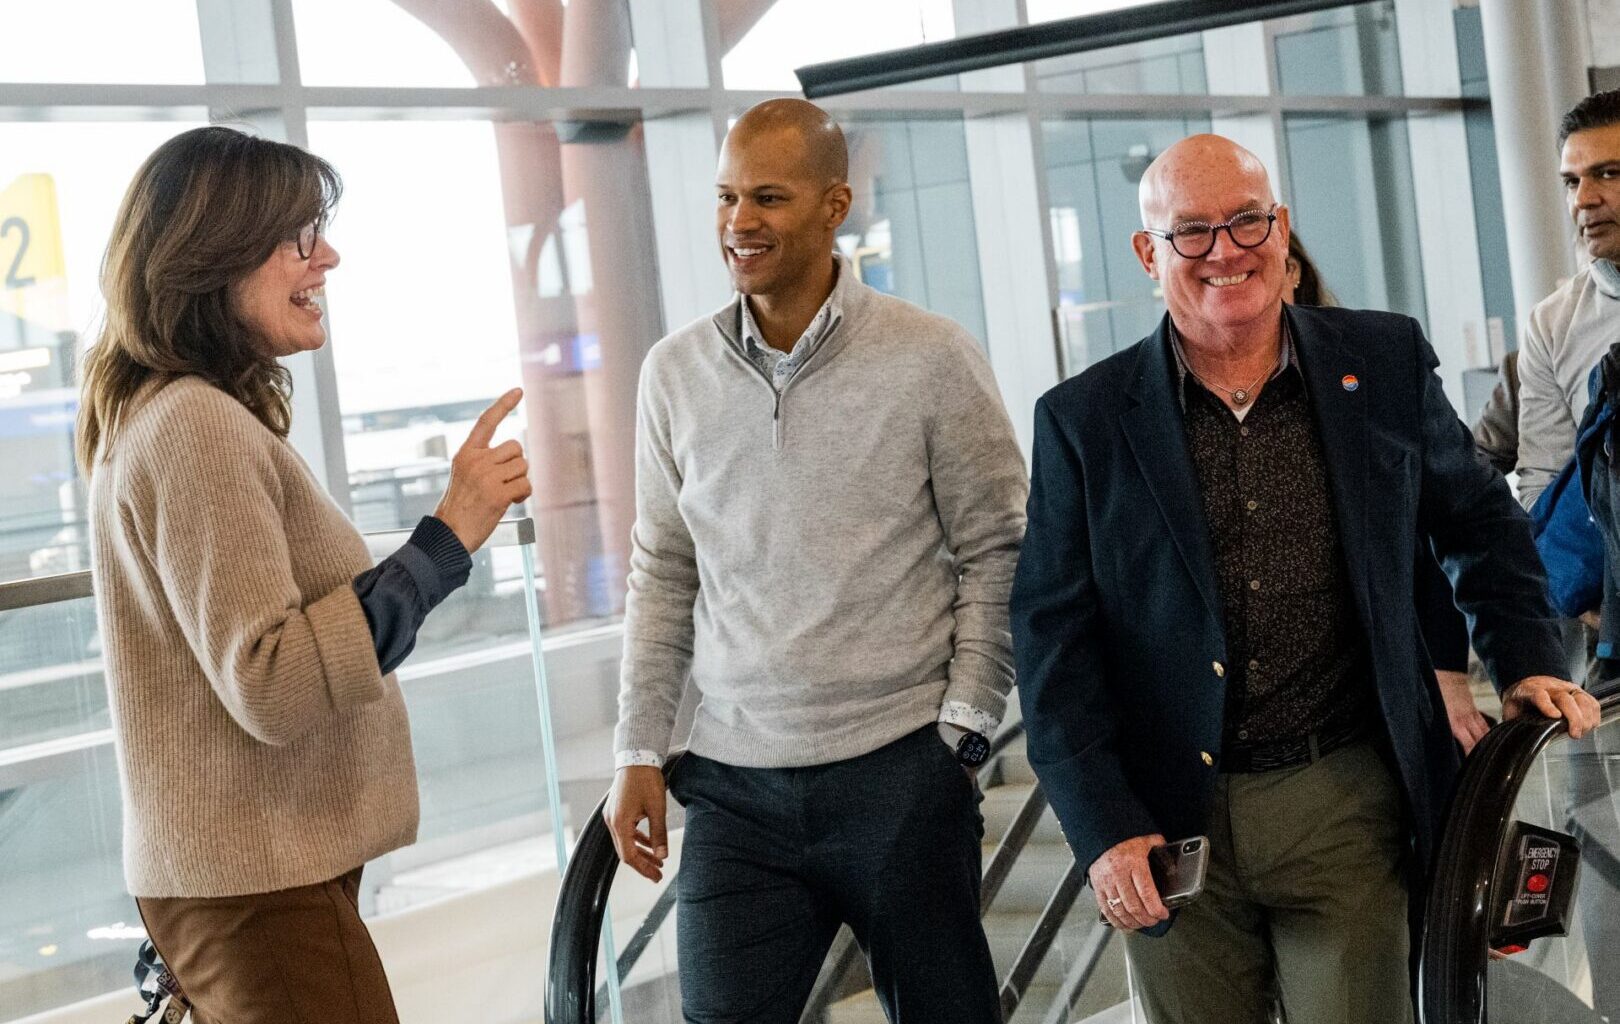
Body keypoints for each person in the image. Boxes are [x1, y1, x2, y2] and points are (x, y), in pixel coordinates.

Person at [1010, 133, 1600, 1024]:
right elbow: (1053, 643)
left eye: (1246, 221)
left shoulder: (1384, 361)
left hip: (1343, 800)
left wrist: (1523, 660)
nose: (1225, 252)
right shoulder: (1082, 421)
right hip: (1165, 822)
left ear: (1280, 228)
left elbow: (1478, 525)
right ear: (1148, 252)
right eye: (1193, 232)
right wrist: (1103, 826)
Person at [78, 126, 532, 1024]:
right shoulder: (193, 427)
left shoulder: (170, 415)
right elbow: (272, 681)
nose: (327, 257)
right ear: (214, 257)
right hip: (254, 888)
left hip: (245, 883)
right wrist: (447, 537)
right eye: (297, 238)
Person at [602, 98, 1026, 1024]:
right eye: (724, 198)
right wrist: (638, 746)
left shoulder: (931, 358)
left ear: (835, 206)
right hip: (733, 789)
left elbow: (998, 548)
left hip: (899, 773)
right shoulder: (672, 375)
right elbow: (663, 570)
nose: (737, 223)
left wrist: (961, 730)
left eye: (767, 197)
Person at [1284, 233, 1488, 754]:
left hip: (1397, 672)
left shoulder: (1372, 369)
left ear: (1295, 274)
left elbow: (1439, 536)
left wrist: (1447, 673)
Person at [1514, 88, 1620, 514]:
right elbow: (1544, 486)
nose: (1583, 199)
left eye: (1608, 174)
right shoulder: (1553, 324)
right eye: (1571, 182)